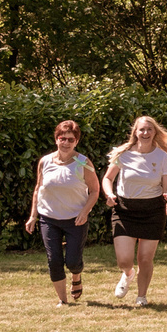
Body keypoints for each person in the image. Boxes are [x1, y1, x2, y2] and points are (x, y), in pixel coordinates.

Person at [104, 115, 167, 307]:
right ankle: (128, 273)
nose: (145, 133)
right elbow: (107, 178)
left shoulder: (162, 156)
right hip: (124, 210)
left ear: (155, 133)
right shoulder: (124, 154)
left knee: (145, 258)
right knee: (124, 259)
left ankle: (141, 296)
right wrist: (109, 194)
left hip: (152, 211)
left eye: (149, 130)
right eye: (141, 130)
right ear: (135, 132)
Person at [25, 119, 97, 306]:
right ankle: (63, 301)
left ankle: (76, 275)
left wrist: (85, 211)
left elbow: (95, 191)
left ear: (76, 142)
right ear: (56, 139)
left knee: (72, 261)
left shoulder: (84, 163)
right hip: (49, 218)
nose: (65, 143)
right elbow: (38, 189)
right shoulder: (45, 161)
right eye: (62, 138)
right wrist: (33, 216)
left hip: (75, 219)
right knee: (54, 260)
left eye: (70, 140)